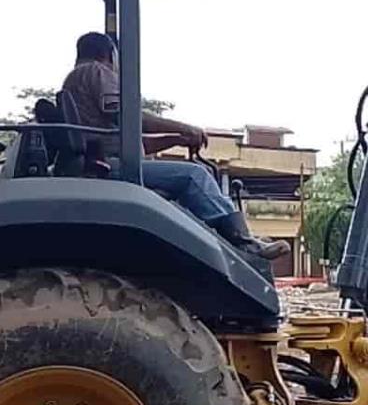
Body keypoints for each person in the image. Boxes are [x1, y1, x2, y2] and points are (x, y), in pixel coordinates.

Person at [62, 32, 289, 260]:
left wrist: (175, 139)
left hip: (104, 163)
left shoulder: (75, 80)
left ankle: (233, 237)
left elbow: (131, 139)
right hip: (109, 168)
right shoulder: (96, 71)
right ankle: (244, 242)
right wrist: (185, 128)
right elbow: (128, 117)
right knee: (194, 175)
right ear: (108, 54)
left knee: (189, 176)